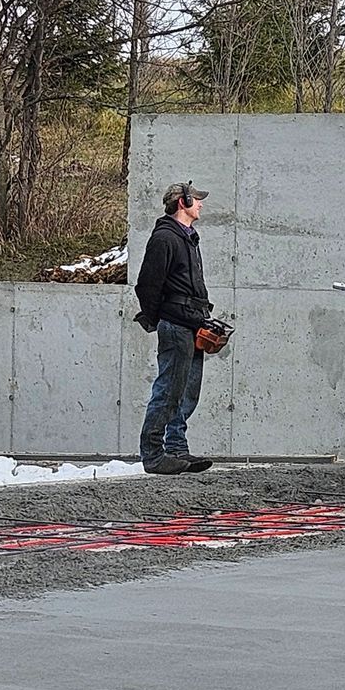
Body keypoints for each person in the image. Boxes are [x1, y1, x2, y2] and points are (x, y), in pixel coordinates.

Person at [134, 181, 217, 476]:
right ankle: (154, 455)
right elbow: (147, 285)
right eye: (196, 199)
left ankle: (177, 449)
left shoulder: (188, 237)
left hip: (192, 324)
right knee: (168, 391)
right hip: (177, 324)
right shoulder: (166, 238)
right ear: (182, 202)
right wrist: (159, 317)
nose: (201, 204)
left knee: (186, 392)